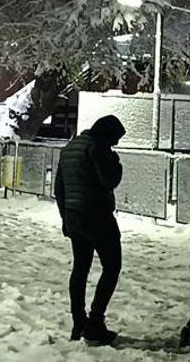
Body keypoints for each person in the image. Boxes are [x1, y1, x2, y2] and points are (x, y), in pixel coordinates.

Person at [55, 115, 126, 346]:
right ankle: (95, 322)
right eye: (114, 139)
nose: (114, 144)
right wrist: (116, 163)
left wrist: (65, 216)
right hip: (97, 215)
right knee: (112, 265)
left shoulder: (70, 147)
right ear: (106, 134)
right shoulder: (98, 147)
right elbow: (109, 180)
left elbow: (59, 187)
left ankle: (79, 320)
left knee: (80, 268)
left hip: (74, 216)